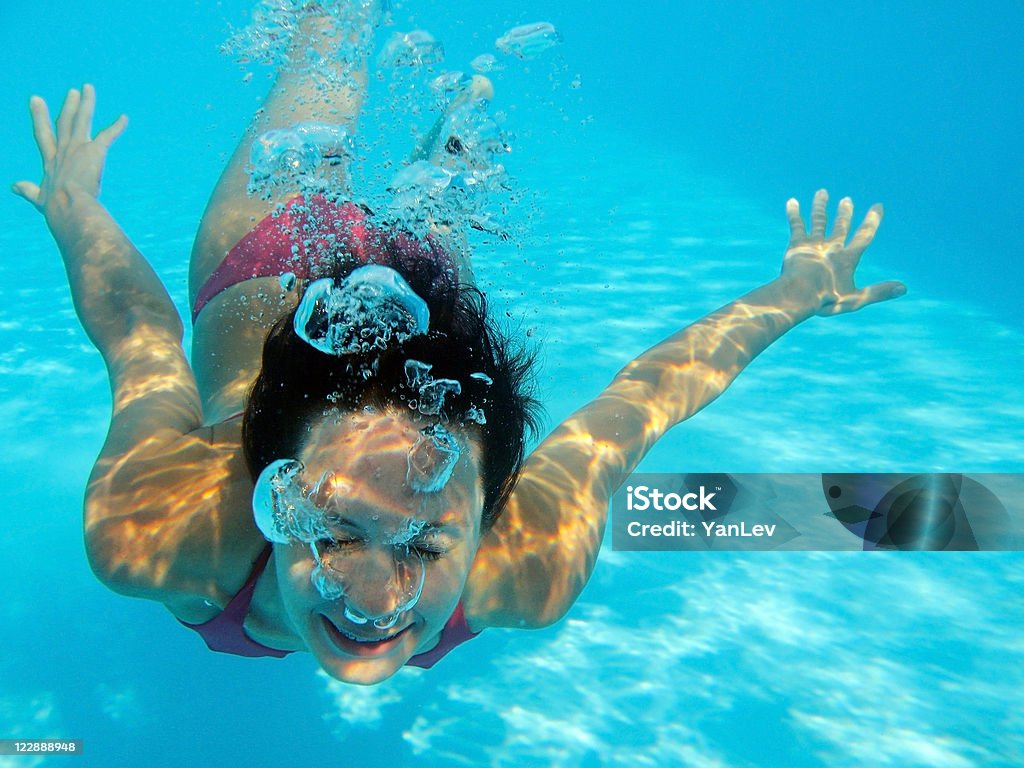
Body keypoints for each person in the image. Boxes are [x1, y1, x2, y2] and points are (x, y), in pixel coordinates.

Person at [12, 5, 905, 686]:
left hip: (291, 256)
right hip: (291, 256)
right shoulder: (162, 526)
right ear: (267, 482)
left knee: (381, 155)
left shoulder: (520, 558)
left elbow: (638, 407)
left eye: (427, 547)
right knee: (348, 78)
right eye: (328, 526)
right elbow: (140, 344)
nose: (370, 601)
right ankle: (433, 153)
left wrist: (797, 288)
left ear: (490, 514)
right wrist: (73, 210)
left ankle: (442, 165)